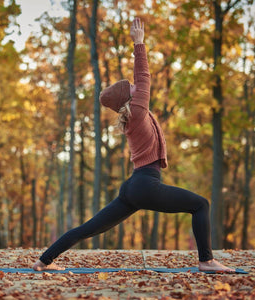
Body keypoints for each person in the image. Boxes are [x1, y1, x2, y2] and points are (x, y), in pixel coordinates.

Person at [33, 18, 235, 273]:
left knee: (88, 228)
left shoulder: (135, 116)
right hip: (144, 185)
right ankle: (206, 261)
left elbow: (140, 82)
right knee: (201, 204)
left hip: (134, 187)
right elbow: (144, 76)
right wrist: (138, 44)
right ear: (129, 97)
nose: (135, 85)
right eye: (131, 87)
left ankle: (43, 261)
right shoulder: (137, 112)